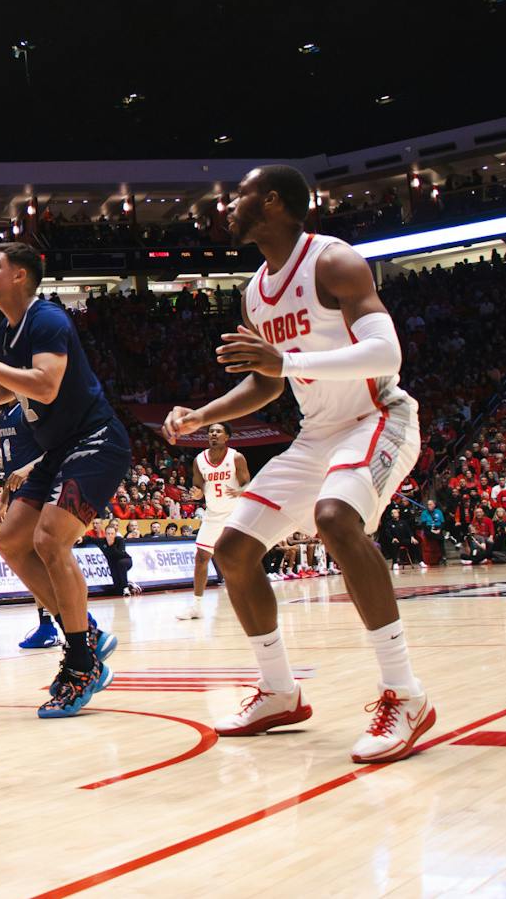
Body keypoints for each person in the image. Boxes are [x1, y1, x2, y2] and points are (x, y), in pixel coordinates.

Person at [163, 164, 433, 763]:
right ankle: (280, 692)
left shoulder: (334, 261)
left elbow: (387, 352)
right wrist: (201, 413)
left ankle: (405, 693)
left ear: (276, 204)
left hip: (377, 416)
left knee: (336, 518)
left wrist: (283, 361)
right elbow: (266, 384)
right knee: (233, 550)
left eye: (241, 196)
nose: (229, 205)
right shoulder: (254, 292)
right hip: (317, 435)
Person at [0, 243, 127, 717]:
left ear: (20, 276)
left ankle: (82, 662)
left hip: (96, 441)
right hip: (58, 449)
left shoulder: (48, 318)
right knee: (12, 541)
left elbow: (44, 384)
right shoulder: (9, 328)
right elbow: (9, 385)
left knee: (51, 539)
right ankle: (87, 632)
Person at [0, 402, 60, 650]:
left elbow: (57, 447)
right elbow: (8, 462)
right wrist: (3, 499)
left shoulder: (29, 410)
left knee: (41, 555)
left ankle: (66, 622)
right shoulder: (2, 414)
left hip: (39, 486)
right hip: (17, 491)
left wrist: (28, 468)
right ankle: (49, 624)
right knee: (28, 556)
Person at [180, 422, 249, 620]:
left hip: (234, 513)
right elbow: (198, 487)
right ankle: (197, 606)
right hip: (212, 514)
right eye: (211, 431)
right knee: (201, 557)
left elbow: (248, 483)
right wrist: (196, 492)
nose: (214, 434)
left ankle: (246, 599)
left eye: (218, 431)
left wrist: (240, 490)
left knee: (237, 558)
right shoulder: (199, 460)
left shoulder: (236, 457)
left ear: (227, 437)